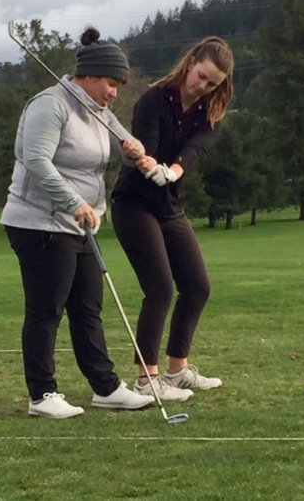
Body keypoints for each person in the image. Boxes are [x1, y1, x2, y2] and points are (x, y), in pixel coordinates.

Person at [1, 27, 154, 419]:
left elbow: (109, 152)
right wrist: (74, 202)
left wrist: (133, 154)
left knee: (88, 307)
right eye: (110, 83)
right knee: (46, 308)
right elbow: (37, 162)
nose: (114, 92)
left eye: (118, 85)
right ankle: (42, 395)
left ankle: (105, 388)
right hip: (38, 222)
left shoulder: (98, 113)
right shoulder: (51, 106)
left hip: (80, 223)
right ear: (88, 76)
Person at [110, 37, 235, 401]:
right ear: (190, 62)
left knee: (197, 287)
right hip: (134, 203)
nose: (203, 86)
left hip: (169, 205)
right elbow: (145, 147)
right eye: (201, 76)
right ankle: (146, 379)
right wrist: (146, 160)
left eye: (212, 83)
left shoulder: (211, 111)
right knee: (160, 288)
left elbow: (195, 149)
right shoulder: (154, 99)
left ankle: (177, 371)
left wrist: (173, 171)